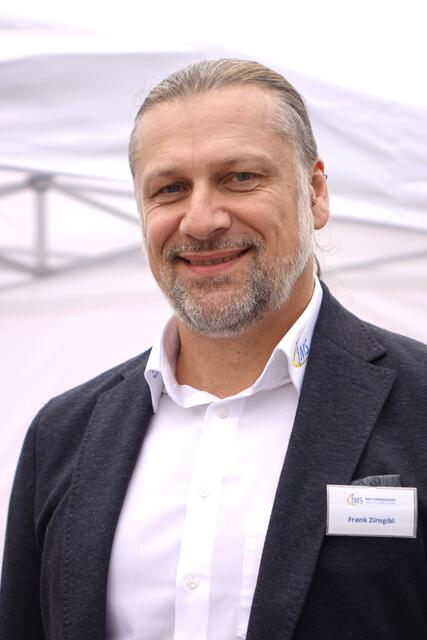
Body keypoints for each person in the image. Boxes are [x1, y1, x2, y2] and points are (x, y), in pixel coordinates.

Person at [1, 59, 426, 640]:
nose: (200, 221)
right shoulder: (62, 434)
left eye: (240, 177)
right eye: (170, 189)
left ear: (315, 193)